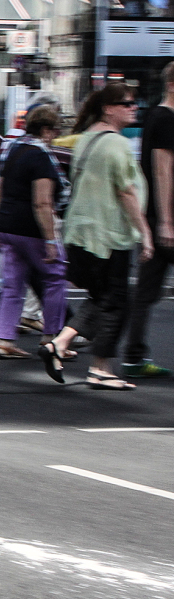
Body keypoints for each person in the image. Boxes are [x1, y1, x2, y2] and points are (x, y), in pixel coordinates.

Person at [43, 84, 154, 389]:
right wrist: (145, 234)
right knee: (117, 302)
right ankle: (100, 368)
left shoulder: (88, 138)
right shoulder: (115, 144)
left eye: (135, 103)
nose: (134, 108)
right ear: (109, 108)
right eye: (127, 104)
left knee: (102, 297)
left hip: (79, 233)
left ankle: (59, 343)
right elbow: (126, 192)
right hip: (106, 236)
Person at [0, 106, 71, 359]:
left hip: (7, 227)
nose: (55, 136)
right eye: (55, 130)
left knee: (12, 285)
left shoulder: (14, 150)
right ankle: (52, 338)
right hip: (31, 229)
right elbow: (42, 202)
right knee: (56, 276)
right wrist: (50, 240)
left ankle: (3, 339)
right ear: (46, 130)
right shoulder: (41, 157)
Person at [123, 60, 174, 378]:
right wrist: (166, 221)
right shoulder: (166, 118)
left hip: (156, 219)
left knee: (146, 291)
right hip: (167, 221)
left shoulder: (157, 117)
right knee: (145, 291)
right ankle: (133, 355)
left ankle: (133, 356)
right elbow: (161, 169)